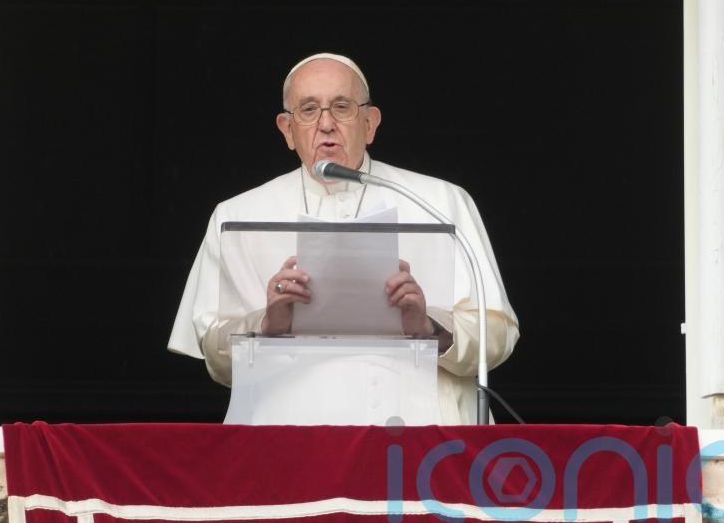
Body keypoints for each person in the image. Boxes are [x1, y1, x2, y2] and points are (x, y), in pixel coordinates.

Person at [168, 53, 519, 424]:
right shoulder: (236, 215)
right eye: (308, 110)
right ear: (287, 130)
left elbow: (497, 337)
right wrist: (268, 326)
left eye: (341, 107)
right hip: (285, 444)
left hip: (418, 442)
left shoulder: (441, 201)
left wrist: (428, 327)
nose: (326, 124)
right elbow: (216, 360)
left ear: (370, 123)